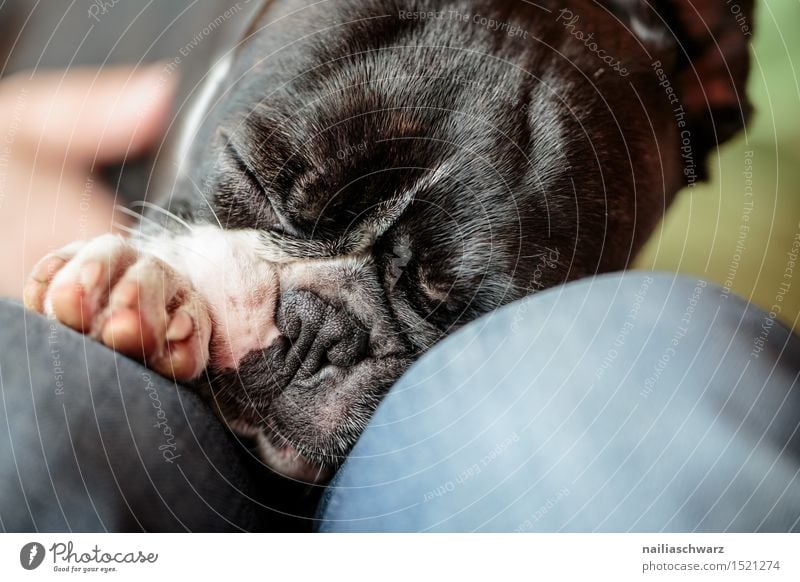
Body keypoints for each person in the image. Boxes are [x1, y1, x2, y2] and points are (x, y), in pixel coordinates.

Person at [0, 69, 798, 532]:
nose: (306, 340)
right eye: (263, 179)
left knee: (616, 407)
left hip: (452, 442)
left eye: (447, 303)